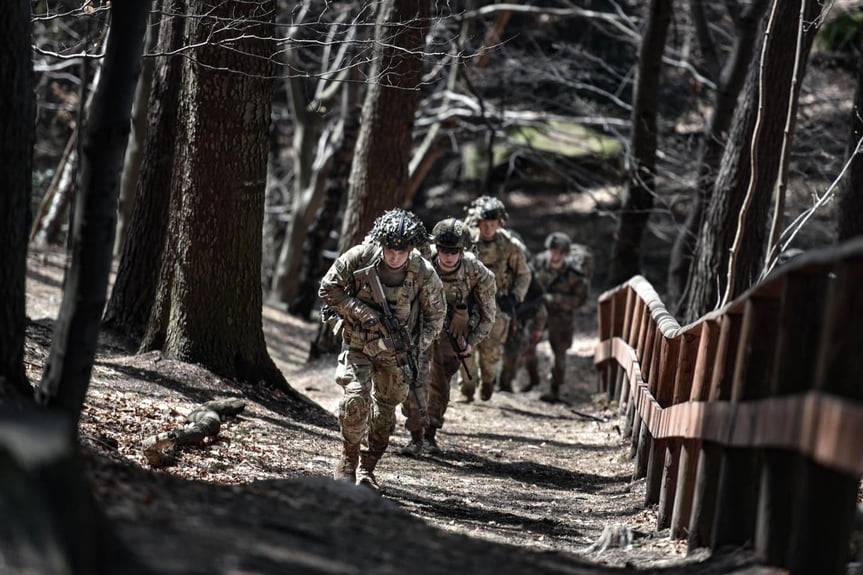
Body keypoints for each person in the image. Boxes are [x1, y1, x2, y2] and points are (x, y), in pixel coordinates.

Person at [319, 209, 445, 490]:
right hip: (358, 344)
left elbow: (437, 315)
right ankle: (348, 462)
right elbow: (328, 288)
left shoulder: (422, 272)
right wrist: (358, 310)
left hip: (396, 354)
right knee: (355, 401)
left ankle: (368, 468)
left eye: (401, 251)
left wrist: (415, 346)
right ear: (381, 243)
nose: (394, 256)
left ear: (411, 248)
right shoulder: (360, 257)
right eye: (390, 249)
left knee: (384, 417)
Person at [401, 218, 496, 456]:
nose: (448, 256)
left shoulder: (477, 272)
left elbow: (488, 316)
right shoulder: (421, 262)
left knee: (440, 382)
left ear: (463, 250)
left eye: (454, 251)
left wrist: (469, 342)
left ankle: (430, 433)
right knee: (413, 379)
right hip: (421, 327)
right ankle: (415, 436)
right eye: (443, 250)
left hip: (451, 336)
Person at [458, 196, 531, 401]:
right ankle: (467, 388)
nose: (488, 228)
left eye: (493, 223)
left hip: (497, 304)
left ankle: (489, 380)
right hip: (469, 303)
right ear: (477, 222)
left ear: (500, 223)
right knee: (465, 348)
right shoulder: (466, 240)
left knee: (491, 353)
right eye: (484, 223)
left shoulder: (510, 246)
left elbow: (524, 274)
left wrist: (516, 297)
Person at [525, 232, 592, 402]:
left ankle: (554, 389)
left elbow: (580, 299)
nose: (554, 255)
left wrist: (555, 299)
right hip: (538, 312)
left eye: (558, 252)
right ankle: (532, 379)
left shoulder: (574, 273)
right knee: (528, 346)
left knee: (559, 352)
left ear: (565, 254)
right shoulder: (538, 263)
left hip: (561, 316)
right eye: (552, 251)